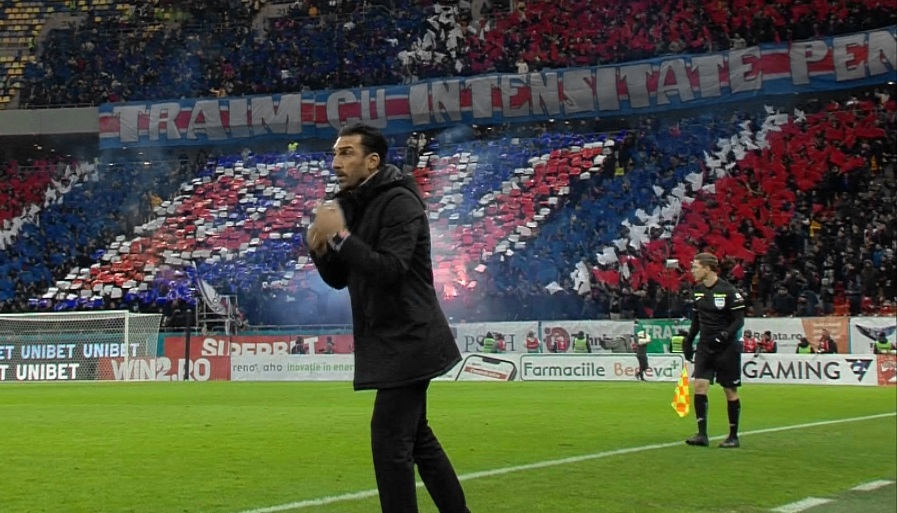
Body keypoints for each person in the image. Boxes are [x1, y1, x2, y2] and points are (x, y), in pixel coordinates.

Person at [306, 123, 470, 513]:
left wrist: (342, 238)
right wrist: (321, 248)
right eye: (334, 153)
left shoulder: (400, 200)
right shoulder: (353, 203)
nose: (336, 162)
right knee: (417, 440)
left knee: (389, 443)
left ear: (373, 161)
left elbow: (391, 269)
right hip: (389, 337)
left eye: (346, 153)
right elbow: (339, 279)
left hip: (411, 338)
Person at [682, 253, 746, 449]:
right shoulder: (698, 291)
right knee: (699, 386)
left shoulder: (729, 291)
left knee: (729, 390)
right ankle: (702, 434)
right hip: (705, 346)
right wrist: (689, 340)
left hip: (726, 347)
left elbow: (739, 320)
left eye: (695, 267)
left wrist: (725, 335)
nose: (692, 270)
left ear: (707, 268)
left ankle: (733, 436)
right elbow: (696, 320)